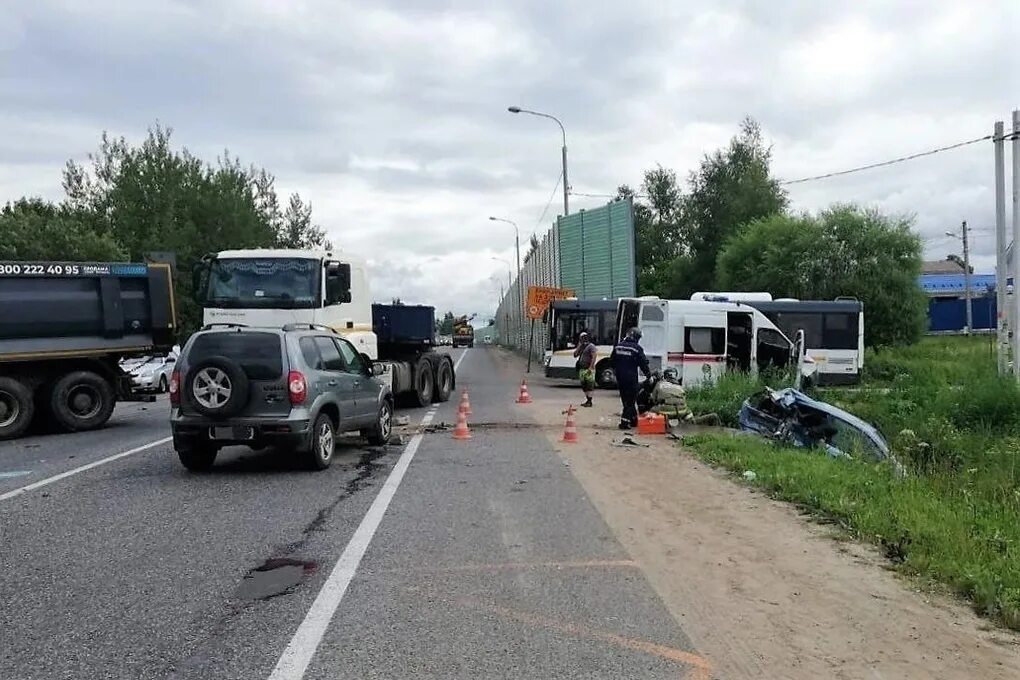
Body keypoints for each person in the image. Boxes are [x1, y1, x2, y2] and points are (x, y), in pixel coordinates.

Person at [611, 327, 651, 429]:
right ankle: (624, 423)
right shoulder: (637, 349)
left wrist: (616, 372)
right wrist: (649, 375)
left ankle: (633, 420)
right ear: (636, 337)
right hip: (631, 378)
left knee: (625, 400)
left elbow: (612, 361)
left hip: (620, 378)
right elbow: (643, 364)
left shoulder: (618, 347)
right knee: (631, 401)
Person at [573, 331, 597, 407]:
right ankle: (587, 400)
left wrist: (591, 367)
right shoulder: (581, 346)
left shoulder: (591, 346)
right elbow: (575, 355)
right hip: (582, 369)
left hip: (588, 369)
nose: (583, 339)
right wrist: (579, 346)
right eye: (581, 338)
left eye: (584, 338)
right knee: (584, 385)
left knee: (589, 385)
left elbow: (594, 356)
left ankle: (589, 401)